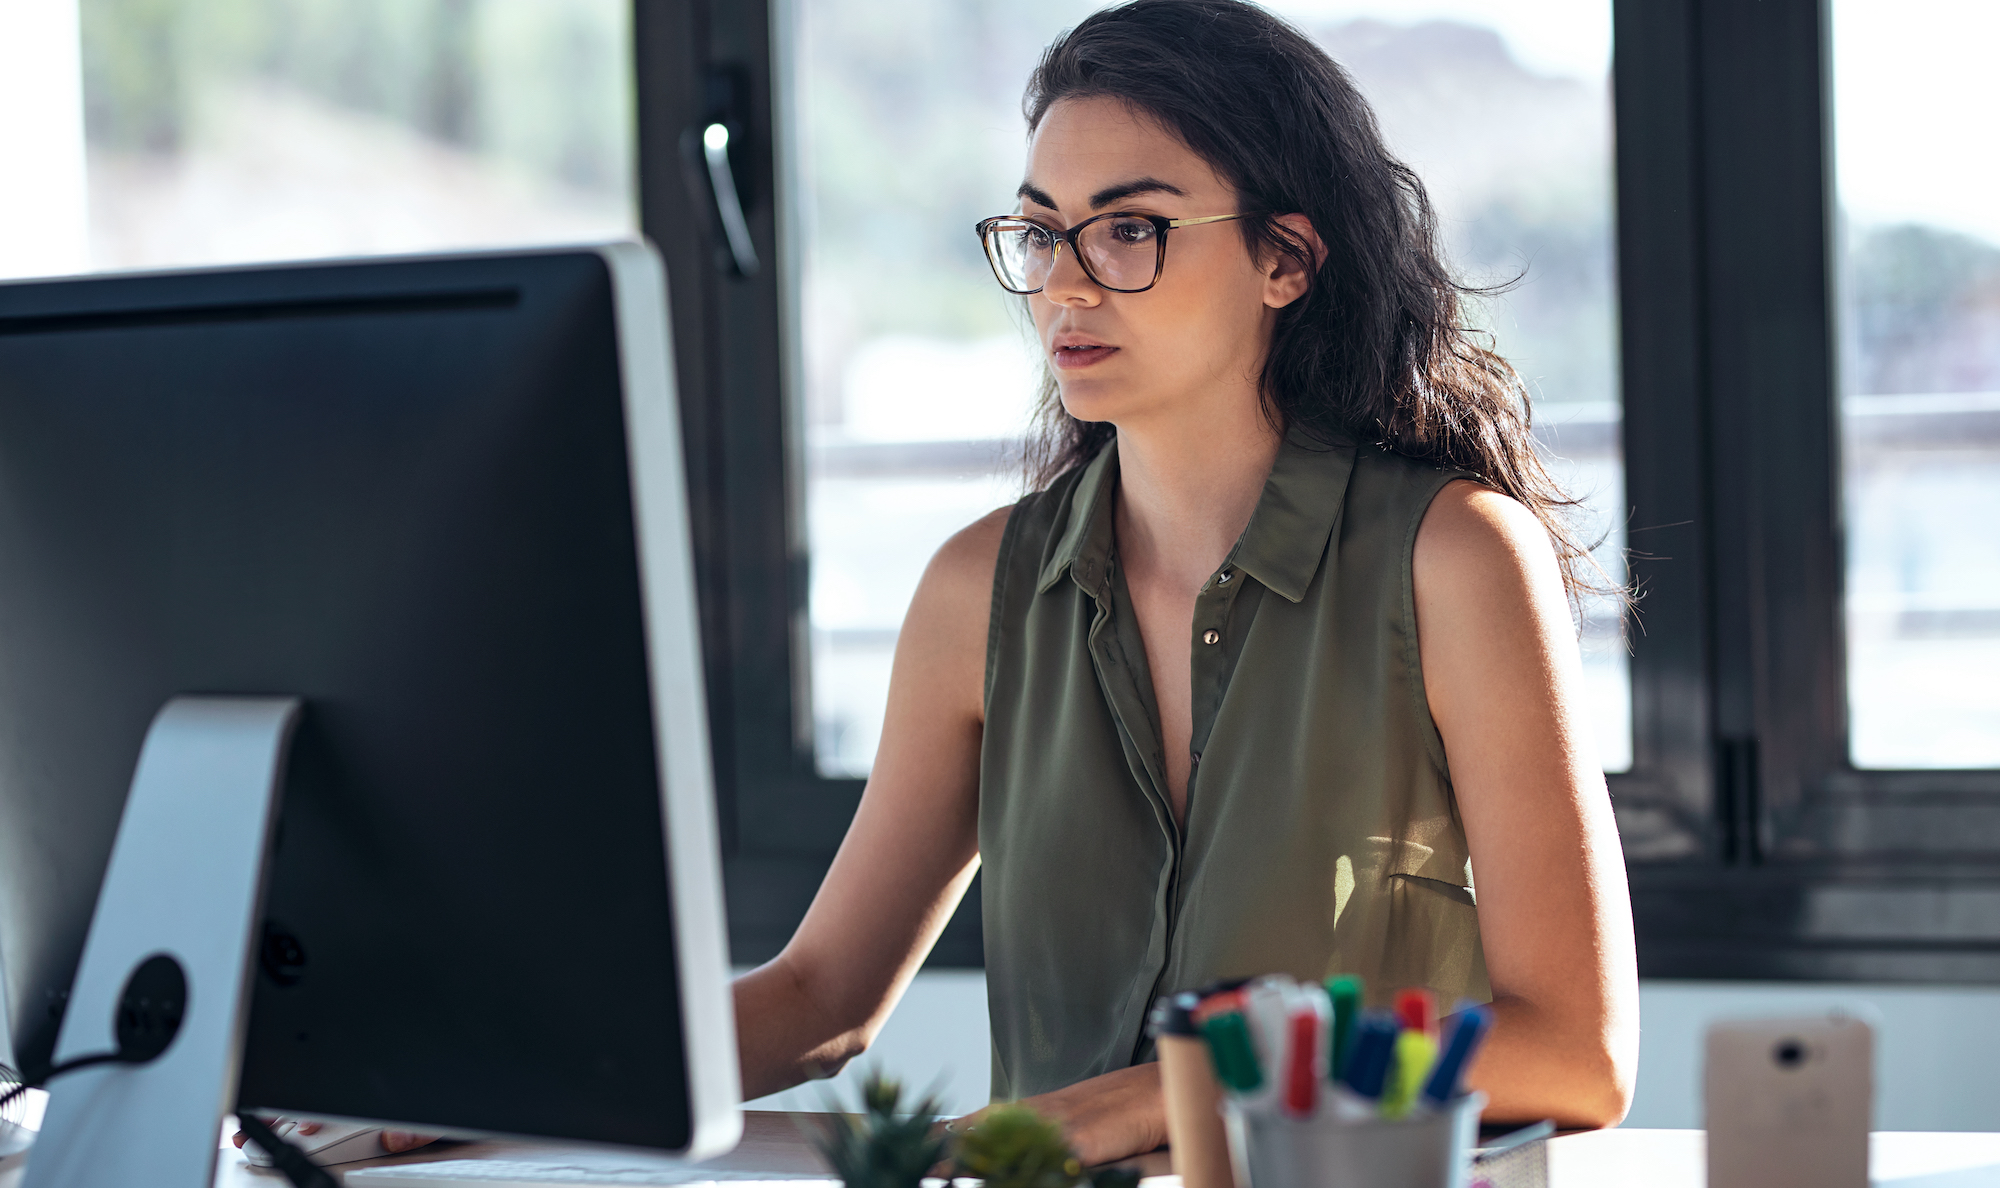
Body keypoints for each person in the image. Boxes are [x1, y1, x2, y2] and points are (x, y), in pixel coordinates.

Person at [734, 0, 1638, 1163]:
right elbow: (816, 996)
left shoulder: (1454, 559)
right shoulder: (978, 589)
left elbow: (1573, 1050)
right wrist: (489, 1089)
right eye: (1039, 231)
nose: (1064, 284)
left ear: (1284, 259)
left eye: (1129, 230)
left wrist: (1153, 1097)